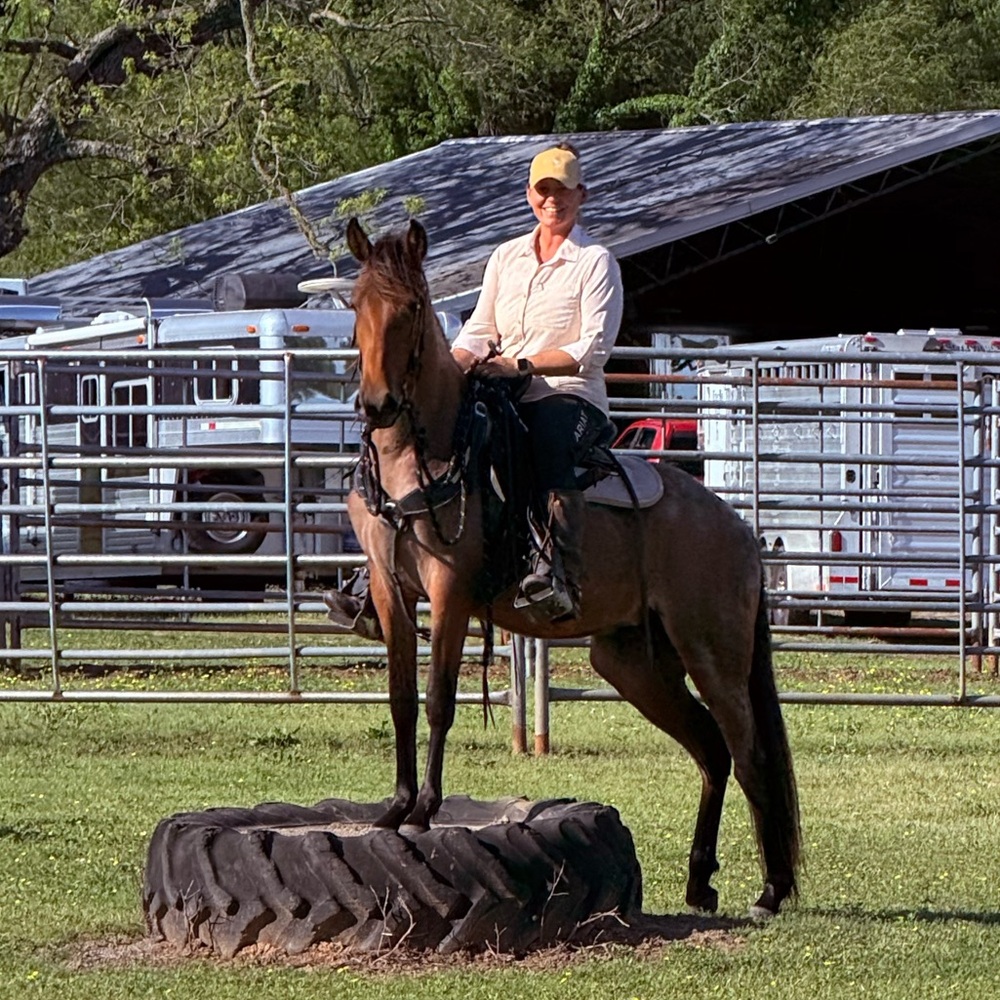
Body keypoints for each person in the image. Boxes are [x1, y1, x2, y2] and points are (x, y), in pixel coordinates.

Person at [452, 143, 624, 620]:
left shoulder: (595, 262)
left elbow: (591, 350)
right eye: (544, 191)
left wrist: (520, 366)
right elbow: (479, 330)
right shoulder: (506, 258)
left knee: (547, 436)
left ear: (581, 194)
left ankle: (560, 573)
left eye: (563, 191)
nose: (553, 201)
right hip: (507, 390)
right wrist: (454, 367)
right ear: (529, 194)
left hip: (569, 397)